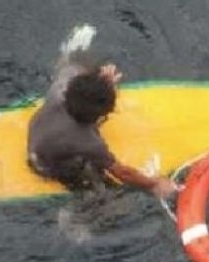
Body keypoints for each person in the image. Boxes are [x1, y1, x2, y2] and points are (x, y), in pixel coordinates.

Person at [27, 43, 177, 198]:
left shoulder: (65, 80)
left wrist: (100, 80)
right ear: (99, 117)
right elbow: (122, 173)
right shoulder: (90, 143)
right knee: (99, 190)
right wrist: (153, 184)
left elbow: (75, 66)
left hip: (37, 129)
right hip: (44, 164)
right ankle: (76, 216)